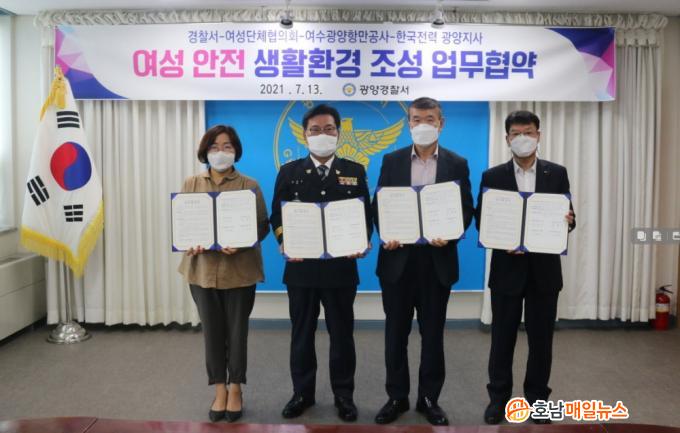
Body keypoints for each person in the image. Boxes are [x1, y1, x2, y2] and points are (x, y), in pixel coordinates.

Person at [372, 97, 474, 426]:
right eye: (416, 119)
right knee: (395, 335)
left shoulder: (457, 163)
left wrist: (452, 233)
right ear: (409, 124)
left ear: (441, 123)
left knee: (433, 336)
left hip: (436, 262)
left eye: (430, 119)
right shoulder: (392, 160)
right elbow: (379, 205)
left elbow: (466, 209)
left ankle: (429, 399)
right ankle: (396, 397)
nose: (423, 125)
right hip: (397, 261)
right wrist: (387, 232)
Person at [270, 104, 372, 422]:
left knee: (342, 336)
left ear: (338, 134)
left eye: (329, 129)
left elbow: (365, 215)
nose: (322, 134)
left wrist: (362, 240)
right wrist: (284, 241)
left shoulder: (355, 170)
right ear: (305, 135)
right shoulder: (289, 172)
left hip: (341, 269)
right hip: (301, 268)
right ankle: (302, 393)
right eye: (315, 130)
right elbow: (277, 215)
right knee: (301, 335)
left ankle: (344, 395)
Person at [475, 110, 575, 425]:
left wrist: (568, 221)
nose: (523, 139)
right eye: (516, 134)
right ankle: (498, 400)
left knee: (541, 342)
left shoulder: (556, 173)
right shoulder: (492, 176)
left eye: (528, 132)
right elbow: (482, 221)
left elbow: (569, 219)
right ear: (507, 139)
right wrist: (498, 237)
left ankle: (537, 401)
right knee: (501, 340)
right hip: (507, 270)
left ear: (538, 135)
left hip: (544, 272)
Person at [178, 125, 270, 423]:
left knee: (237, 334)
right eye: (214, 147)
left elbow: (262, 226)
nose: (221, 152)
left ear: (236, 151)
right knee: (212, 334)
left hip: (239, 271)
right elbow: (183, 223)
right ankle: (219, 388)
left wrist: (243, 241)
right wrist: (189, 241)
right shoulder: (191, 183)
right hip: (202, 271)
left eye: (227, 146)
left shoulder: (249, 185)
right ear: (205, 151)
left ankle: (236, 389)